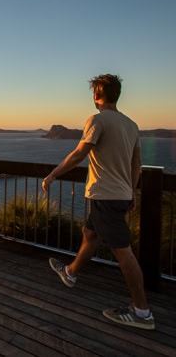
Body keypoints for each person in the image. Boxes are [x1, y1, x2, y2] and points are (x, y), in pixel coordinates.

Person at [42, 74, 154, 330]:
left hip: (105, 194)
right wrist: (132, 192)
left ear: (97, 96)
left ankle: (142, 311)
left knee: (123, 251)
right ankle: (70, 273)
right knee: (90, 234)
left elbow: (79, 154)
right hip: (119, 194)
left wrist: (52, 175)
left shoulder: (97, 120)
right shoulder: (131, 125)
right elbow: (136, 164)